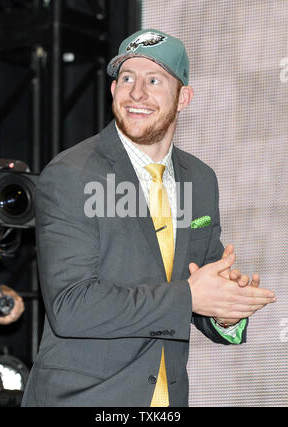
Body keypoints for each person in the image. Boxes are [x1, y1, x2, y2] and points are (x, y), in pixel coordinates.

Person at [22, 29, 276, 407]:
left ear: (183, 98)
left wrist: (225, 311)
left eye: (153, 80)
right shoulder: (72, 174)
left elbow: (197, 288)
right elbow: (72, 307)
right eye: (126, 78)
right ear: (112, 91)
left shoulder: (200, 180)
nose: (136, 93)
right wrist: (190, 296)